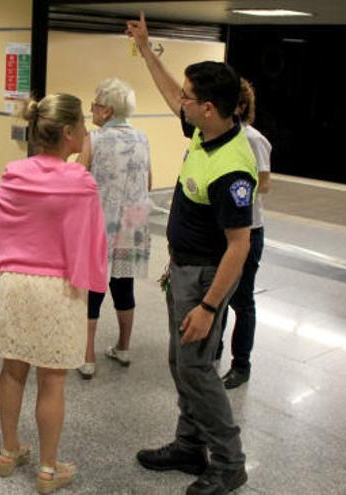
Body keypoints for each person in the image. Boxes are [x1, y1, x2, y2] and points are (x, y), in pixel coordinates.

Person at [127, 13, 255, 495]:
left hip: (206, 280)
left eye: (186, 97)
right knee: (183, 364)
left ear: (206, 107)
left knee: (198, 369)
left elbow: (239, 247)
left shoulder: (231, 167)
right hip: (185, 268)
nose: (177, 102)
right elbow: (167, 94)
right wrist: (145, 48)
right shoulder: (207, 131)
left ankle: (229, 462)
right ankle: (189, 445)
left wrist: (207, 306)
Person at [0, 93, 106, 494]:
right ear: (69, 133)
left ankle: (8, 452)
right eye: (84, 126)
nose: (87, 133)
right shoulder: (81, 181)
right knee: (52, 381)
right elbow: (91, 242)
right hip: (58, 287)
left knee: (12, 371)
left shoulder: (13, 172)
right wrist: (93, 283)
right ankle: (48, 472)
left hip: (13, 284)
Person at [76, 77, 152, 379]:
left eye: (94, 104)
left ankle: (88, 356)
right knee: (124, 285)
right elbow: (147, 182)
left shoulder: (93, 139)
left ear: (106, 110)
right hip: (134, 220)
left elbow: (76, 180)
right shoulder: (143, 138)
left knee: (94, 285)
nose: (92, 109)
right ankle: (123, 347)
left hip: (99, 219)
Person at [215, 78, 271, 389]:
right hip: (222, 230)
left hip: (248, 229)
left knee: (242, 299)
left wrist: (234, 198)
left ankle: (241, 364)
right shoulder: (219, 138)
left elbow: (264, 183)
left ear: (240, 107)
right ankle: (215, 348)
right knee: (219, 292)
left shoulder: (253, 140)